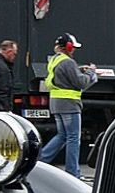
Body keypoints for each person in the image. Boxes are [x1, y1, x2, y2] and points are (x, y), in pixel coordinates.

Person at [39, 33, 97, 178]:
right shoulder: (68, 62)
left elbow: (65, 76)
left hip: (56, 103)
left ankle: (40, 161)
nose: (74, 50)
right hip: (69, 104)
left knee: (62, 135)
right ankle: (73, 172)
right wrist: (91, 73)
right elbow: (81, 83)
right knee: (73, 138)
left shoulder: (55, 59)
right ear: (68, 47)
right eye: (73, 47)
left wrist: (79, 70)